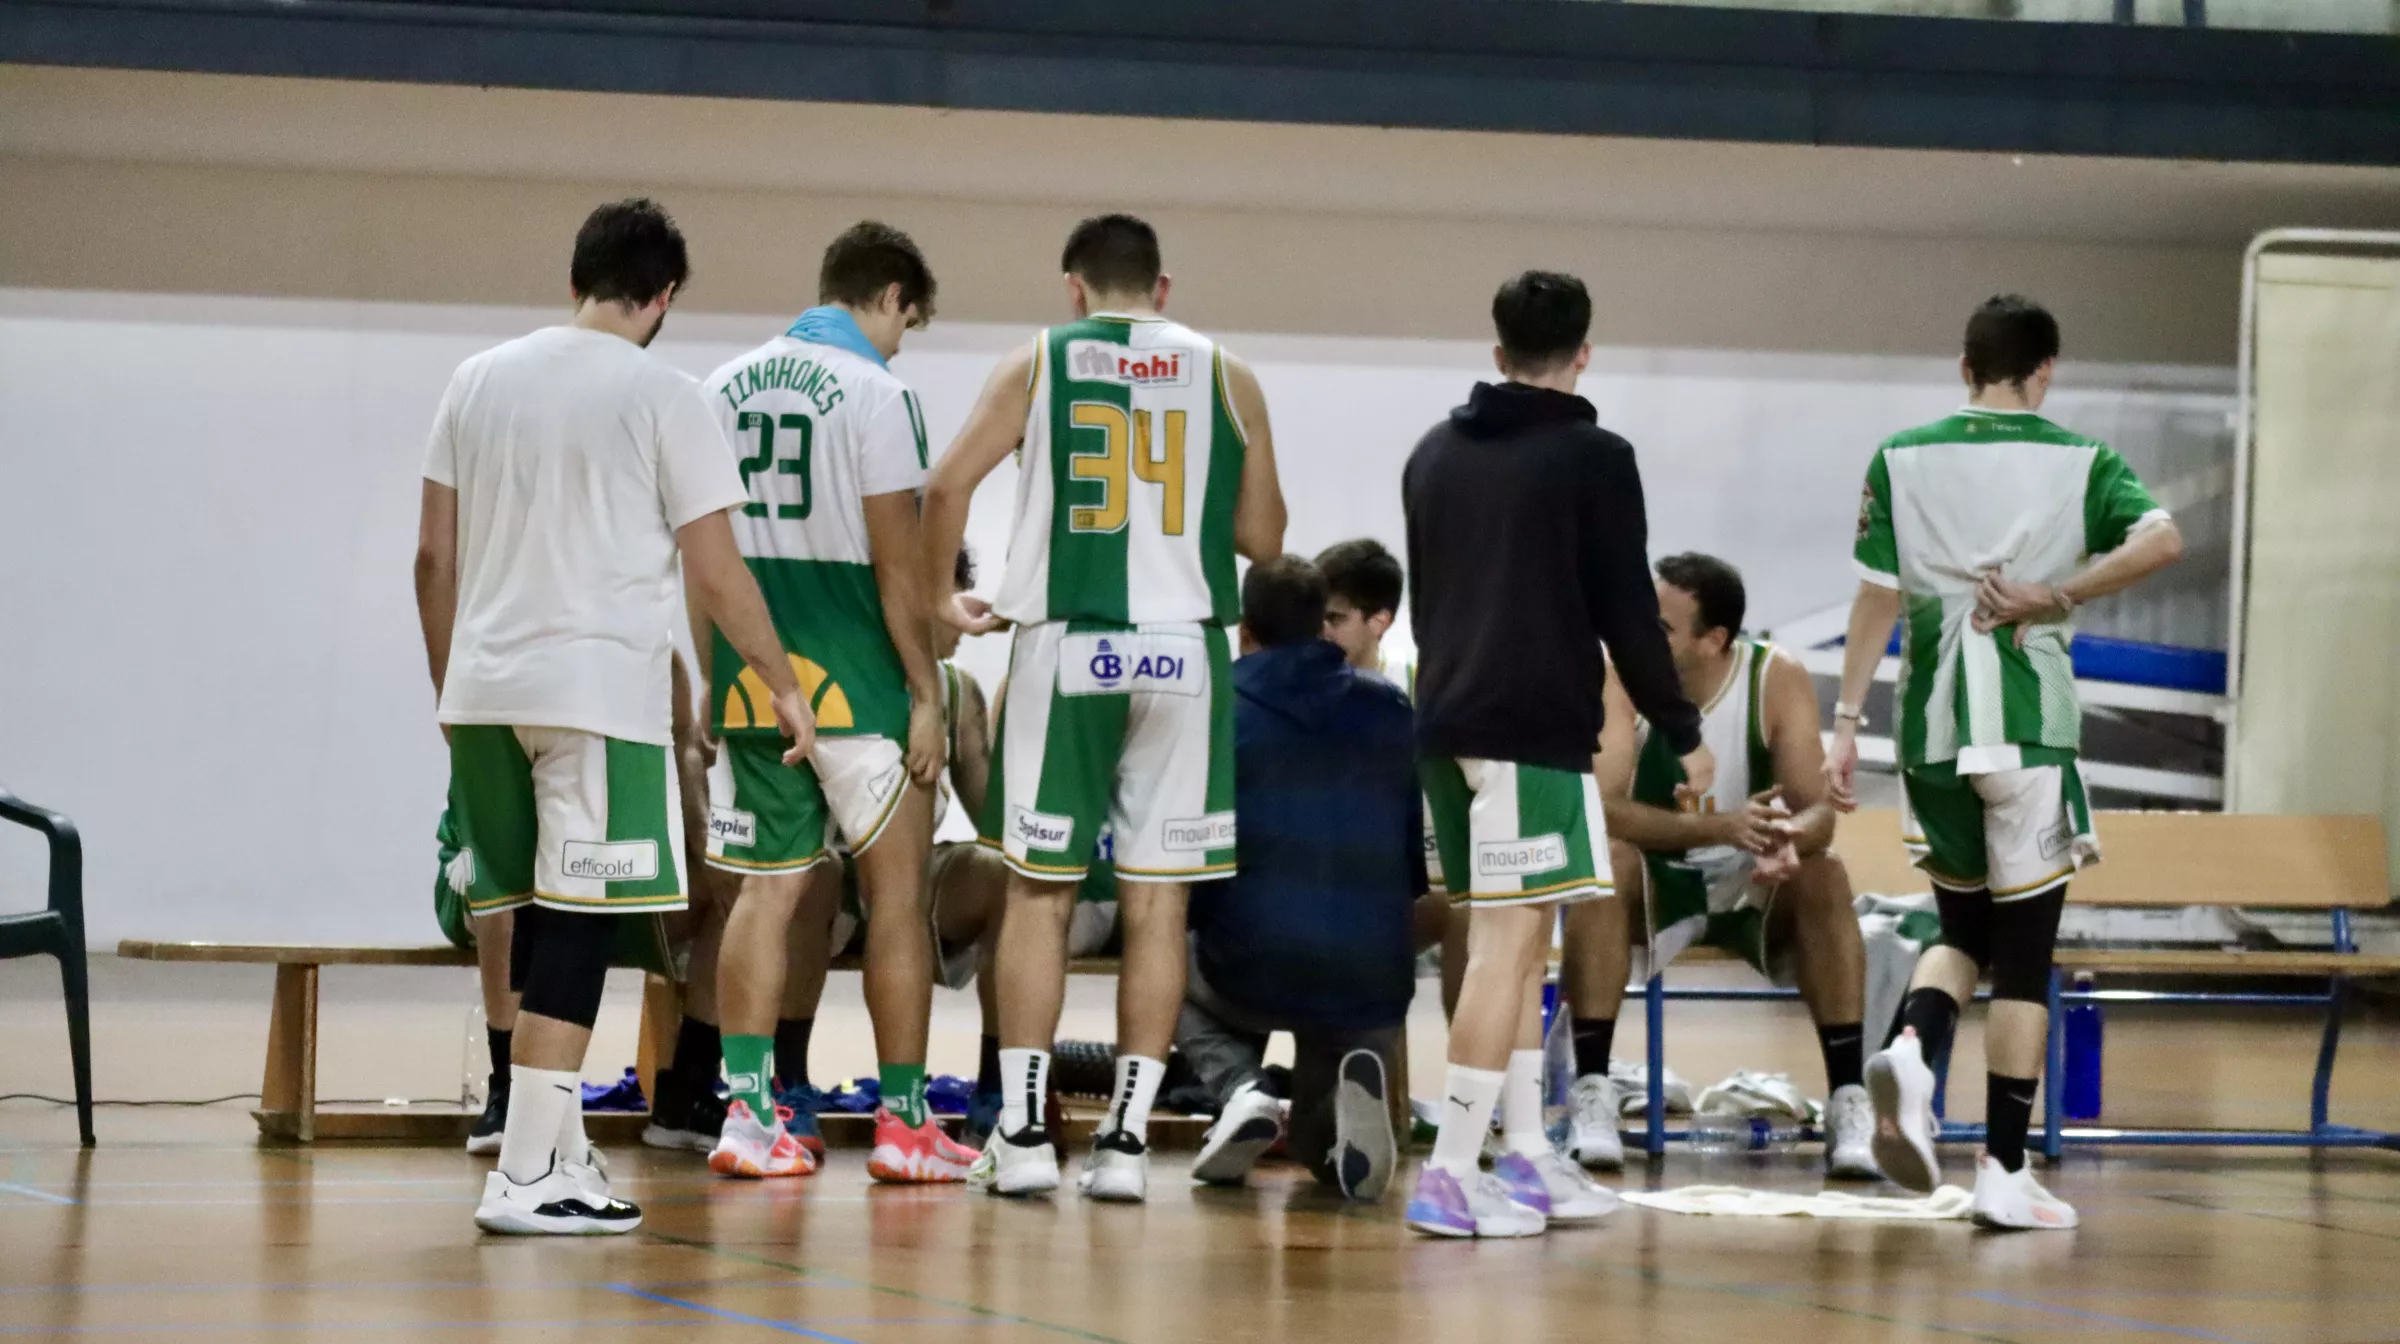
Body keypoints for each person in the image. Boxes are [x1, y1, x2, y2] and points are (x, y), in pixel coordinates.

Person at [417, 198, 811, 1237]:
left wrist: (448, 694)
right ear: (665, 297)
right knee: (577, 926)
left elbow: (431, 560)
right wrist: (779, 680)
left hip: (483, 695)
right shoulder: (666, 396)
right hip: (595, 699)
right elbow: (718, 574)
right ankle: (528, 1172)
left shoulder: (477, 379)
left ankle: (556, 1148)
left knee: (533, 917)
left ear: (578, 277)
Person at [921, 213, 1286, 1202]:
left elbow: (947, 482)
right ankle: (1126, 1145)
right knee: (1159, 902)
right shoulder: (1226, 372)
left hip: (1069, 643)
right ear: (1161, 289)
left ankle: (1028, 1136)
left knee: (1038, 892)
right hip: (1184, 652)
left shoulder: (1037, 361)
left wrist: (932, 599)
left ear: (1074, 288)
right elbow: (1264, 536)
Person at [1828, 294, 2183, 1230]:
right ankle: (2004, 1169)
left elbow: (1873, 599)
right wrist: (2055, 591)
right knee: (2024, 957)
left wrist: (1844, 720)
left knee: (1962, 929)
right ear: (2047, 370)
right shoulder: (2084, 461)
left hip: (1929, 728)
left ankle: (1912, 1046)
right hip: (2026, 725)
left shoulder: (1901, 456)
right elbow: (2163, 539)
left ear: (1964, 367)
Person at [1400, 270, 1709, 1239]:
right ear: (1584, 352)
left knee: (1527, 943)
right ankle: (1451, 1173)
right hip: (1529, 729)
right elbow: (1629, 615)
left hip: (1444, 722)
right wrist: (1685, 731)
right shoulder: (1595, 457)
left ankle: (1528, 1153)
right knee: (1504, 948)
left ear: (1498, 353)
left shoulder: (1432, 454)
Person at [695, 221, 977, 1184]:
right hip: (856, 682)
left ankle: (747, 1116)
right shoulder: (879, 394)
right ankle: (903, 1127)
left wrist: (709, 676)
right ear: (892, 296)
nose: (905, 341)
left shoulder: (717, 388)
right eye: (910, 322)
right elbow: (901, 572)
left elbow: (705, 561)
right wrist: (929, 692)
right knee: (898, 900)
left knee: (765, 896)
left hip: (753, 681)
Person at [1564, 553, 1878, 1180]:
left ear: (1714, 641)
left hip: (1752, 880)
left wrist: (1791, 836)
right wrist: (1719, 827)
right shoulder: (1621, 676)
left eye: (1662, 627)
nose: (1640, 634)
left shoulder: (1773, 676)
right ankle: (1592, 1094)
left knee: (1827, 872)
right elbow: (1600, 810)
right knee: (1606, 865)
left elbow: (1819, 813)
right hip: (1660, 875)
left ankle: (1848, 1098)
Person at [1179, 556, 1417, 1201]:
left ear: (1244, 630)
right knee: (1316, 1137)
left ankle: (1244, 1091)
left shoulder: (1216, 710)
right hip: (1373, 976)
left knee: (1165, 958)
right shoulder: (1393, 710)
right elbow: (1410, 865)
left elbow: (1191, 857)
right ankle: (1333, 1119)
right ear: (1322, 625)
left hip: (1252, 965)